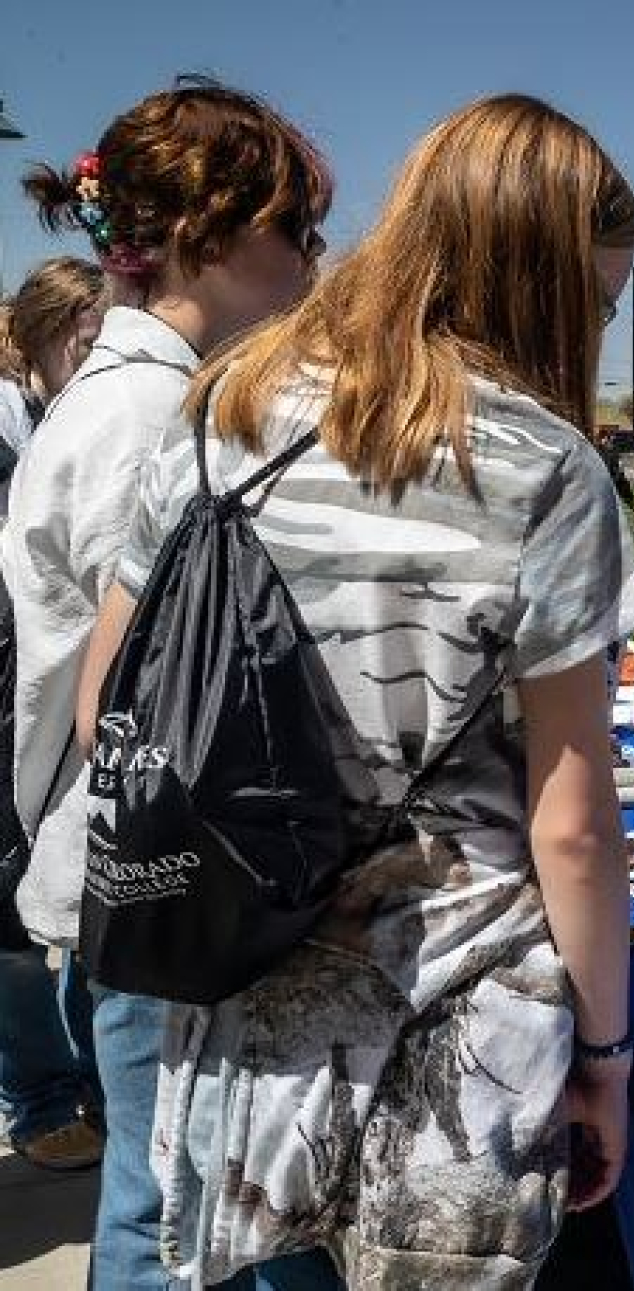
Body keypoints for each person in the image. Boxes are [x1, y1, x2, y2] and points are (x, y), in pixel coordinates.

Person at [78, 93, 634, 1285]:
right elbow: (576, 825)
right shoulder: (544, 469)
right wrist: (607, 1049)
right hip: (459, 1031)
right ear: (543, 280)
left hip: (244, 1009)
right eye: (598, 296)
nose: (602, 320)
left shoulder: (220, 413)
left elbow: (113, 710)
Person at [4, 78, 338, 1289]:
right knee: (166, 1213)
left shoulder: (129, 390)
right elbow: (140, 694)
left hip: (128, 862)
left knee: (179, 1197)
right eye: (295, 230)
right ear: (208, 234)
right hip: (152, 869)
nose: (314, 259)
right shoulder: (151, 409)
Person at [0, 257, 107, 1173]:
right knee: (10, 936)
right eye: (87, 330)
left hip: (38, 699)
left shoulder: (65, 417)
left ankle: (72, 1084)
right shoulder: (14, 426)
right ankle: (36, 1098)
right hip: (13, 698)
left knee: (66, 923)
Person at [598, 423, 634, 537]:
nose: (601, 440)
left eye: (602, 437)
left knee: (626, 503)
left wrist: (614, 477)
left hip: (615, 480)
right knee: (629, 502)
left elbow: (615, 465)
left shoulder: (607, 449)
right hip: (617, 479)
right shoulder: (610, 448)